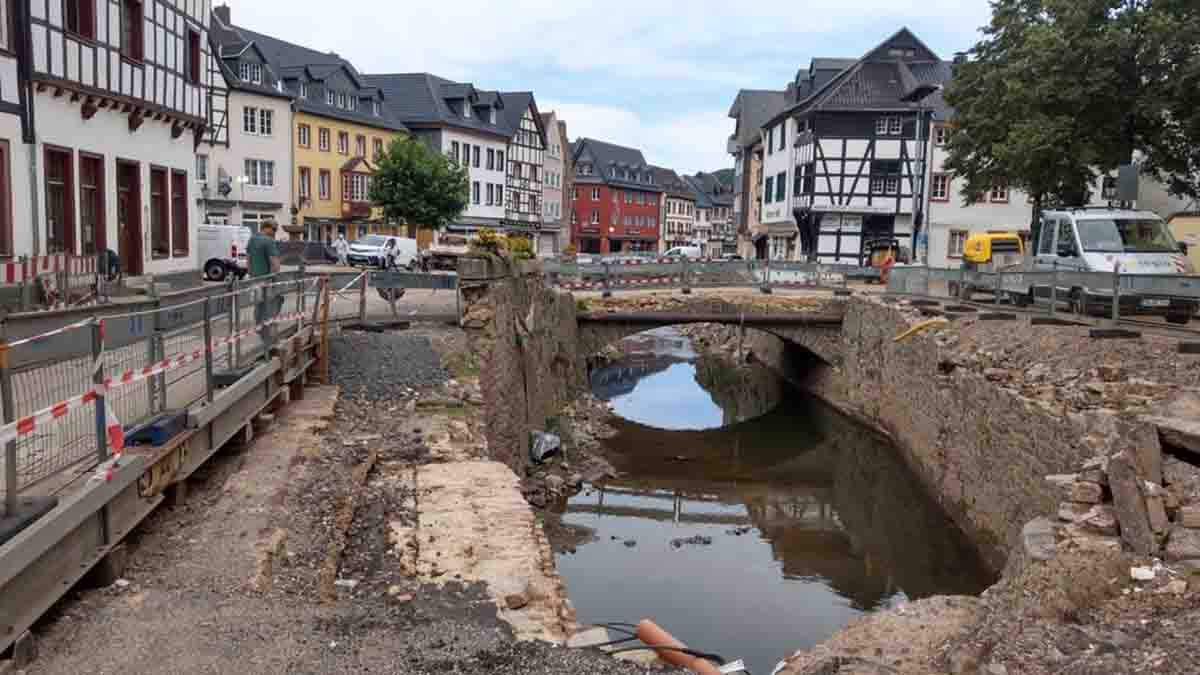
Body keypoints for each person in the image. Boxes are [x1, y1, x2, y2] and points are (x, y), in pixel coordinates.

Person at [247, 222, 282, 348]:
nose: (275, 232)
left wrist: (251, 275)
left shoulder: (252, 240)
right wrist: (272, 278)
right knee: (271, 308)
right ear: (266, 228)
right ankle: (270, 339)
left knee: (258, 307)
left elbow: (248, 261)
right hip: (267, 281)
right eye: (274, 229)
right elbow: (275, 264)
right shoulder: (269, 241)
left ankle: (260, 333)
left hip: (254, 280)